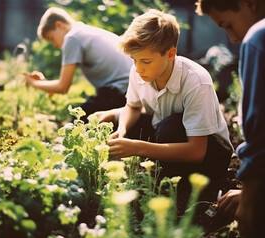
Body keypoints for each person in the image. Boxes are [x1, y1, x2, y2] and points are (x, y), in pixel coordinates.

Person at [97, 9, 233, 214]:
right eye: (134, 60)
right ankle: (161, 177)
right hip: (165, 132)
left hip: (209, 155)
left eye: (145, 61)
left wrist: (137, 147)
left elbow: (197, 151)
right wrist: (123, 131)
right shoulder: (139, 71)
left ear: (170, 54)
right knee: (124, 124)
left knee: (170, 127)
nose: (138, 68)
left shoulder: (196, 81)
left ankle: (196, 194)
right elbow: (133, 107)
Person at [195, 0, 265, 238]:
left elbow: (260, 131)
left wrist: (250, 200)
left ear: (249, 4)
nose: (233, 38)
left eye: (228, 25)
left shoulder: (258, 37)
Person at [24, 7, 133, 121]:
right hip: (132, 89)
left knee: (78, 119)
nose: (55, 45)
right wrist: (45, 84)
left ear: (59, 25)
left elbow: (62, 87)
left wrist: (32, 83)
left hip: (121, 93)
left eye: (52, 38)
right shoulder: (83, 31)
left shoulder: (72, 38)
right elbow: (61, 85)